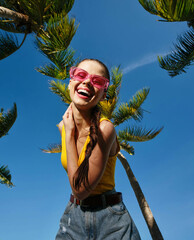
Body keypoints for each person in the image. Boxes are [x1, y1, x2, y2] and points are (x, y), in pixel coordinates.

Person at [56, 59, 141, 239]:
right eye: (81, 75)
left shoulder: (105, 129)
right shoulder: (62, 127)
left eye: (97, 81)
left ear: (103, 94)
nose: (87, 81)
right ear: (70, 81)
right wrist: (68, 130)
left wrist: (70, 132)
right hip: (73, 217)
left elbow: (81, 189)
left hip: (110, 220)